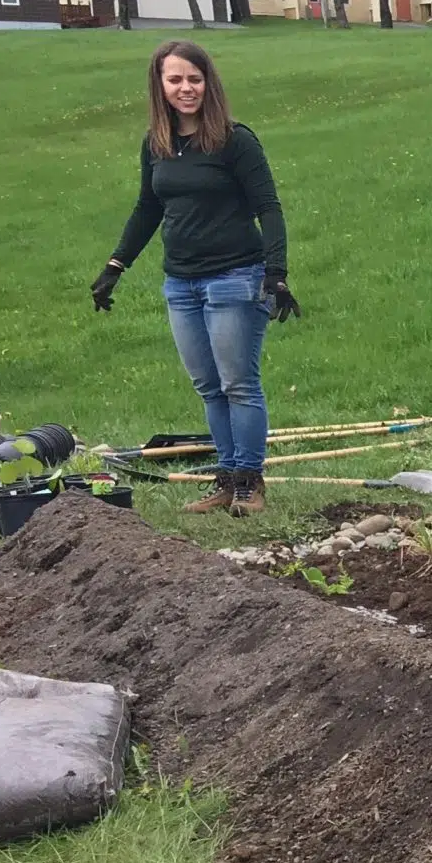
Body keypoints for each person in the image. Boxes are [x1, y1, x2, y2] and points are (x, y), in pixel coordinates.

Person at [90, 40, 297, 517]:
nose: (186, 88)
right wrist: (115, 266)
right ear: (160, 85)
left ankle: (249, 484)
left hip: (235, 279)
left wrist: (277, 272)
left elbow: (269, 208)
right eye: (175, 79)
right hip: (180, 284)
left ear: (209, 83)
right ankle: (226, 481)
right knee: (208, 385)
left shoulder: (235, 140)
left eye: (195, 79)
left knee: (238, 384)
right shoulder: (156, 143)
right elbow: (148, 207)